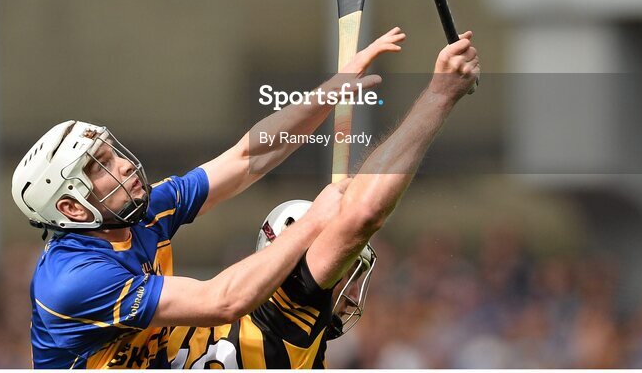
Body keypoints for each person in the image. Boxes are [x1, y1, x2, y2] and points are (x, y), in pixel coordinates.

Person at [11, 29, 405, 368]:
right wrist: (314, 223)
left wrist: (330, 92)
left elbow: (248, 157)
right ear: (72, 208)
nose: (124, 165)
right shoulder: (74, 280)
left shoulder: (142, 211)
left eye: (111, 151)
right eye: (100, 165)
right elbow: (223, 301)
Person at [165, 29, 480, 368]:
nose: (354, 294)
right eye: (345, 268)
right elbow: (364, 214)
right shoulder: (290, 311)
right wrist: (440, 96)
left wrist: (332, 90)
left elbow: (246, 156)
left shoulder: (172, 317)